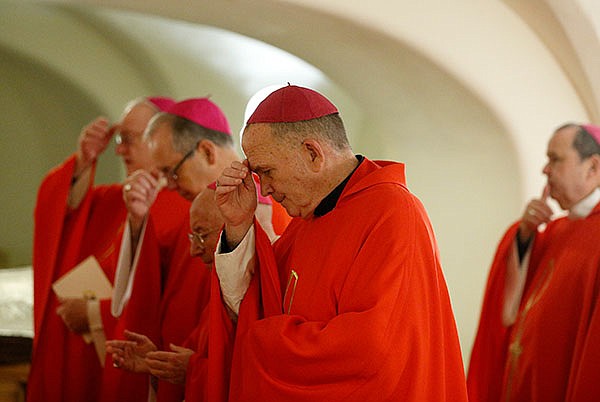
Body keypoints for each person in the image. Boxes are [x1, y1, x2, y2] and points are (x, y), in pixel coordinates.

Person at [211, 84, 468, 402]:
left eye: (267, 172)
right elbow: (256, 303)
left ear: (312, 154)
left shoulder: (393, 213)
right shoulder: (306, 222)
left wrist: (261, 342)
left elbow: (373, 351)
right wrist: (238, 224)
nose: (265, 190)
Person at [106, 97, 289, 402]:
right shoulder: (194, 211)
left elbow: (256, 331)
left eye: (173, 172)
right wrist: (164, 362)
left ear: (206, 151)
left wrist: (194, 368)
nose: (169, 184)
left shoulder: (267, 210)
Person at [28, 96, 188, 402]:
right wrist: (83, 162)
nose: (118, 149)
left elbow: (170, 299)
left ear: (161, 139)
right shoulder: (114, 200)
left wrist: (93, 313)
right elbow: (60, 220)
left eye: (128, 139)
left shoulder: (184, 204)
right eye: (118, 139)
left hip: (131, 362)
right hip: (83, 355)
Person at [467, 123, 600, 402]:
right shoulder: (556, 230)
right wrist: (525, 235)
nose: (545, 170)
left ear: (593, 167)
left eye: (555, 159)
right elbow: (511, 309)